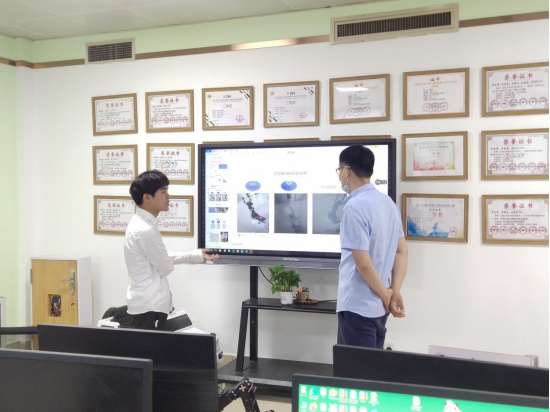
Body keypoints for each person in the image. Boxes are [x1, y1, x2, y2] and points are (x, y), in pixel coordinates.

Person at [125, 170, 218, 330]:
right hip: (149, 306)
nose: (168, 196)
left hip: (146, 304)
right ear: (147, 198)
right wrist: (171, 260)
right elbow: (165, 267)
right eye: (163, 192)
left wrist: (196, 255)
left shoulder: (139, 222)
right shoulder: (145, 229)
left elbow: (161, 257)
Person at [336, 145, 408, 348]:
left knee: (356, 367)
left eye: (339, 170)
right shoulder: (388, 203)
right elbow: (401, 251)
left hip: (357, 306)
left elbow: (363, 265)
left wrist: (387, 294)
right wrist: (394, 291)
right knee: (373, 365)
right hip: (380, 307)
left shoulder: (354, 207)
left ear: (346, 171)